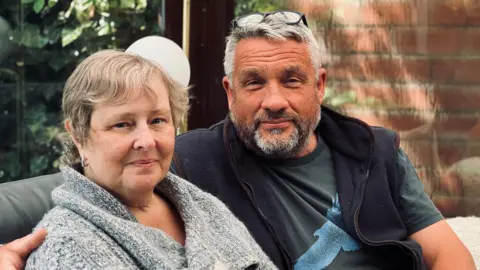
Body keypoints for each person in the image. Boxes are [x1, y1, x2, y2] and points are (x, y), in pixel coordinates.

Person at [0, 10, 476, 270]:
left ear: (320, 86)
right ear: (229, 92)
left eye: (292, 80)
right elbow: (93, 192)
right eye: (253, 83)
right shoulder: (186, 162)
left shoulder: (374, 150)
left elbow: (444, 254)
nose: (273, 101)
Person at [14, 50, 276, 269]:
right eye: (122, 124)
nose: (146, 141)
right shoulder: (65, 248)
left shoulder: (202, 206)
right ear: (79, 136)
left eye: (157, 121)